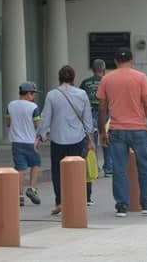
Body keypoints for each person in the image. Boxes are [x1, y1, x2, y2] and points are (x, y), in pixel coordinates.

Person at [97, 48, 147, 217]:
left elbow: (102, 107)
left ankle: (121, 206)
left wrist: (102, 131)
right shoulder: (141, 77)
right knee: (144, 166)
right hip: (138, 129)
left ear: (116, 61)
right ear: (132, 60)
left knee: (119, 168)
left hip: (117, 129)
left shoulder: (107, 79)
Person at [39, 66, 95, 215]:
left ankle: (60, 201)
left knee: (57, 172)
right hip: (77, 138)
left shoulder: (52, 95)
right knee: (76, 171)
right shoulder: (82, 94)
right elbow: (87, 118)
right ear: (73, 78)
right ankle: (75, 201)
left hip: (57, 139)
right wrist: (90, 138)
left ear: (59, 78)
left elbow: (45, 117)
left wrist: (41, 135)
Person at [6, 82, 42, 207]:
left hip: (16, 142)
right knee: (36, 164)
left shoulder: (11, 105)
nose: (34, 97)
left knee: (20, 169)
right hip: (31, 141)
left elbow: (8, 123)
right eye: (33, 94)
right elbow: (37, 125)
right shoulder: (33, 107)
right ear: (28, 94)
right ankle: (32, 189)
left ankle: (19, 195)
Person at [80, 59, 113, 177]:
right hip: (106, 112)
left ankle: (95, 167)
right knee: (106, 138)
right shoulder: (107, 81)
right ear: (103, 70)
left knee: (91, 140)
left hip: (89, 113)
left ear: (93, 70)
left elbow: (81, 99)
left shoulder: (85, 82)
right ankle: (108, 168)